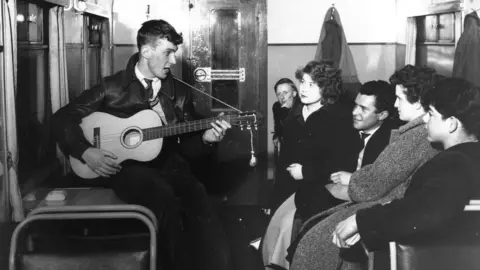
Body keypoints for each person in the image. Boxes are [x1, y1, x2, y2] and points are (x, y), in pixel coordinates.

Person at [52, 19, 232, 270]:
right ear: (146, 52)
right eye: (167, 53)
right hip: (122, 168)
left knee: (200, 199)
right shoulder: (112, 87)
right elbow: (62, 118)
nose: (173, 61)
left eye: (174, 53)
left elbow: (187, 149)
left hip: (169, 163)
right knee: (164, 199)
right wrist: (85, 150)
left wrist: (205, 140)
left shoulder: (178, 93)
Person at [289, 65, 441, 270]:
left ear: (419, 103)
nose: (396, 105)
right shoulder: (417, 132)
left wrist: (351, 180)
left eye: (400, 99)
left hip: (381, 208)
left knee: (314, 243)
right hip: (385, 205)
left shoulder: (414, 137)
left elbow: (372, 185)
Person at [333, 78, 480, 264]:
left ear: (451, 123)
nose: (425, 118)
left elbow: (426, 208)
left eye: (431, 114)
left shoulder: (454, 162)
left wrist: (359, 221)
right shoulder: (470, 155)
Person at [262, 60, 362, 270]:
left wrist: (306, 172)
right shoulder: (293, 116)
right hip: (294, 189)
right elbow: (283, 165)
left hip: (325, 192)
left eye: (312, 84)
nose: (304, 89)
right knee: (275, 230)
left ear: (326, 88)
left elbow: (344, 163)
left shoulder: (340, 119)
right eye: (303, 82)